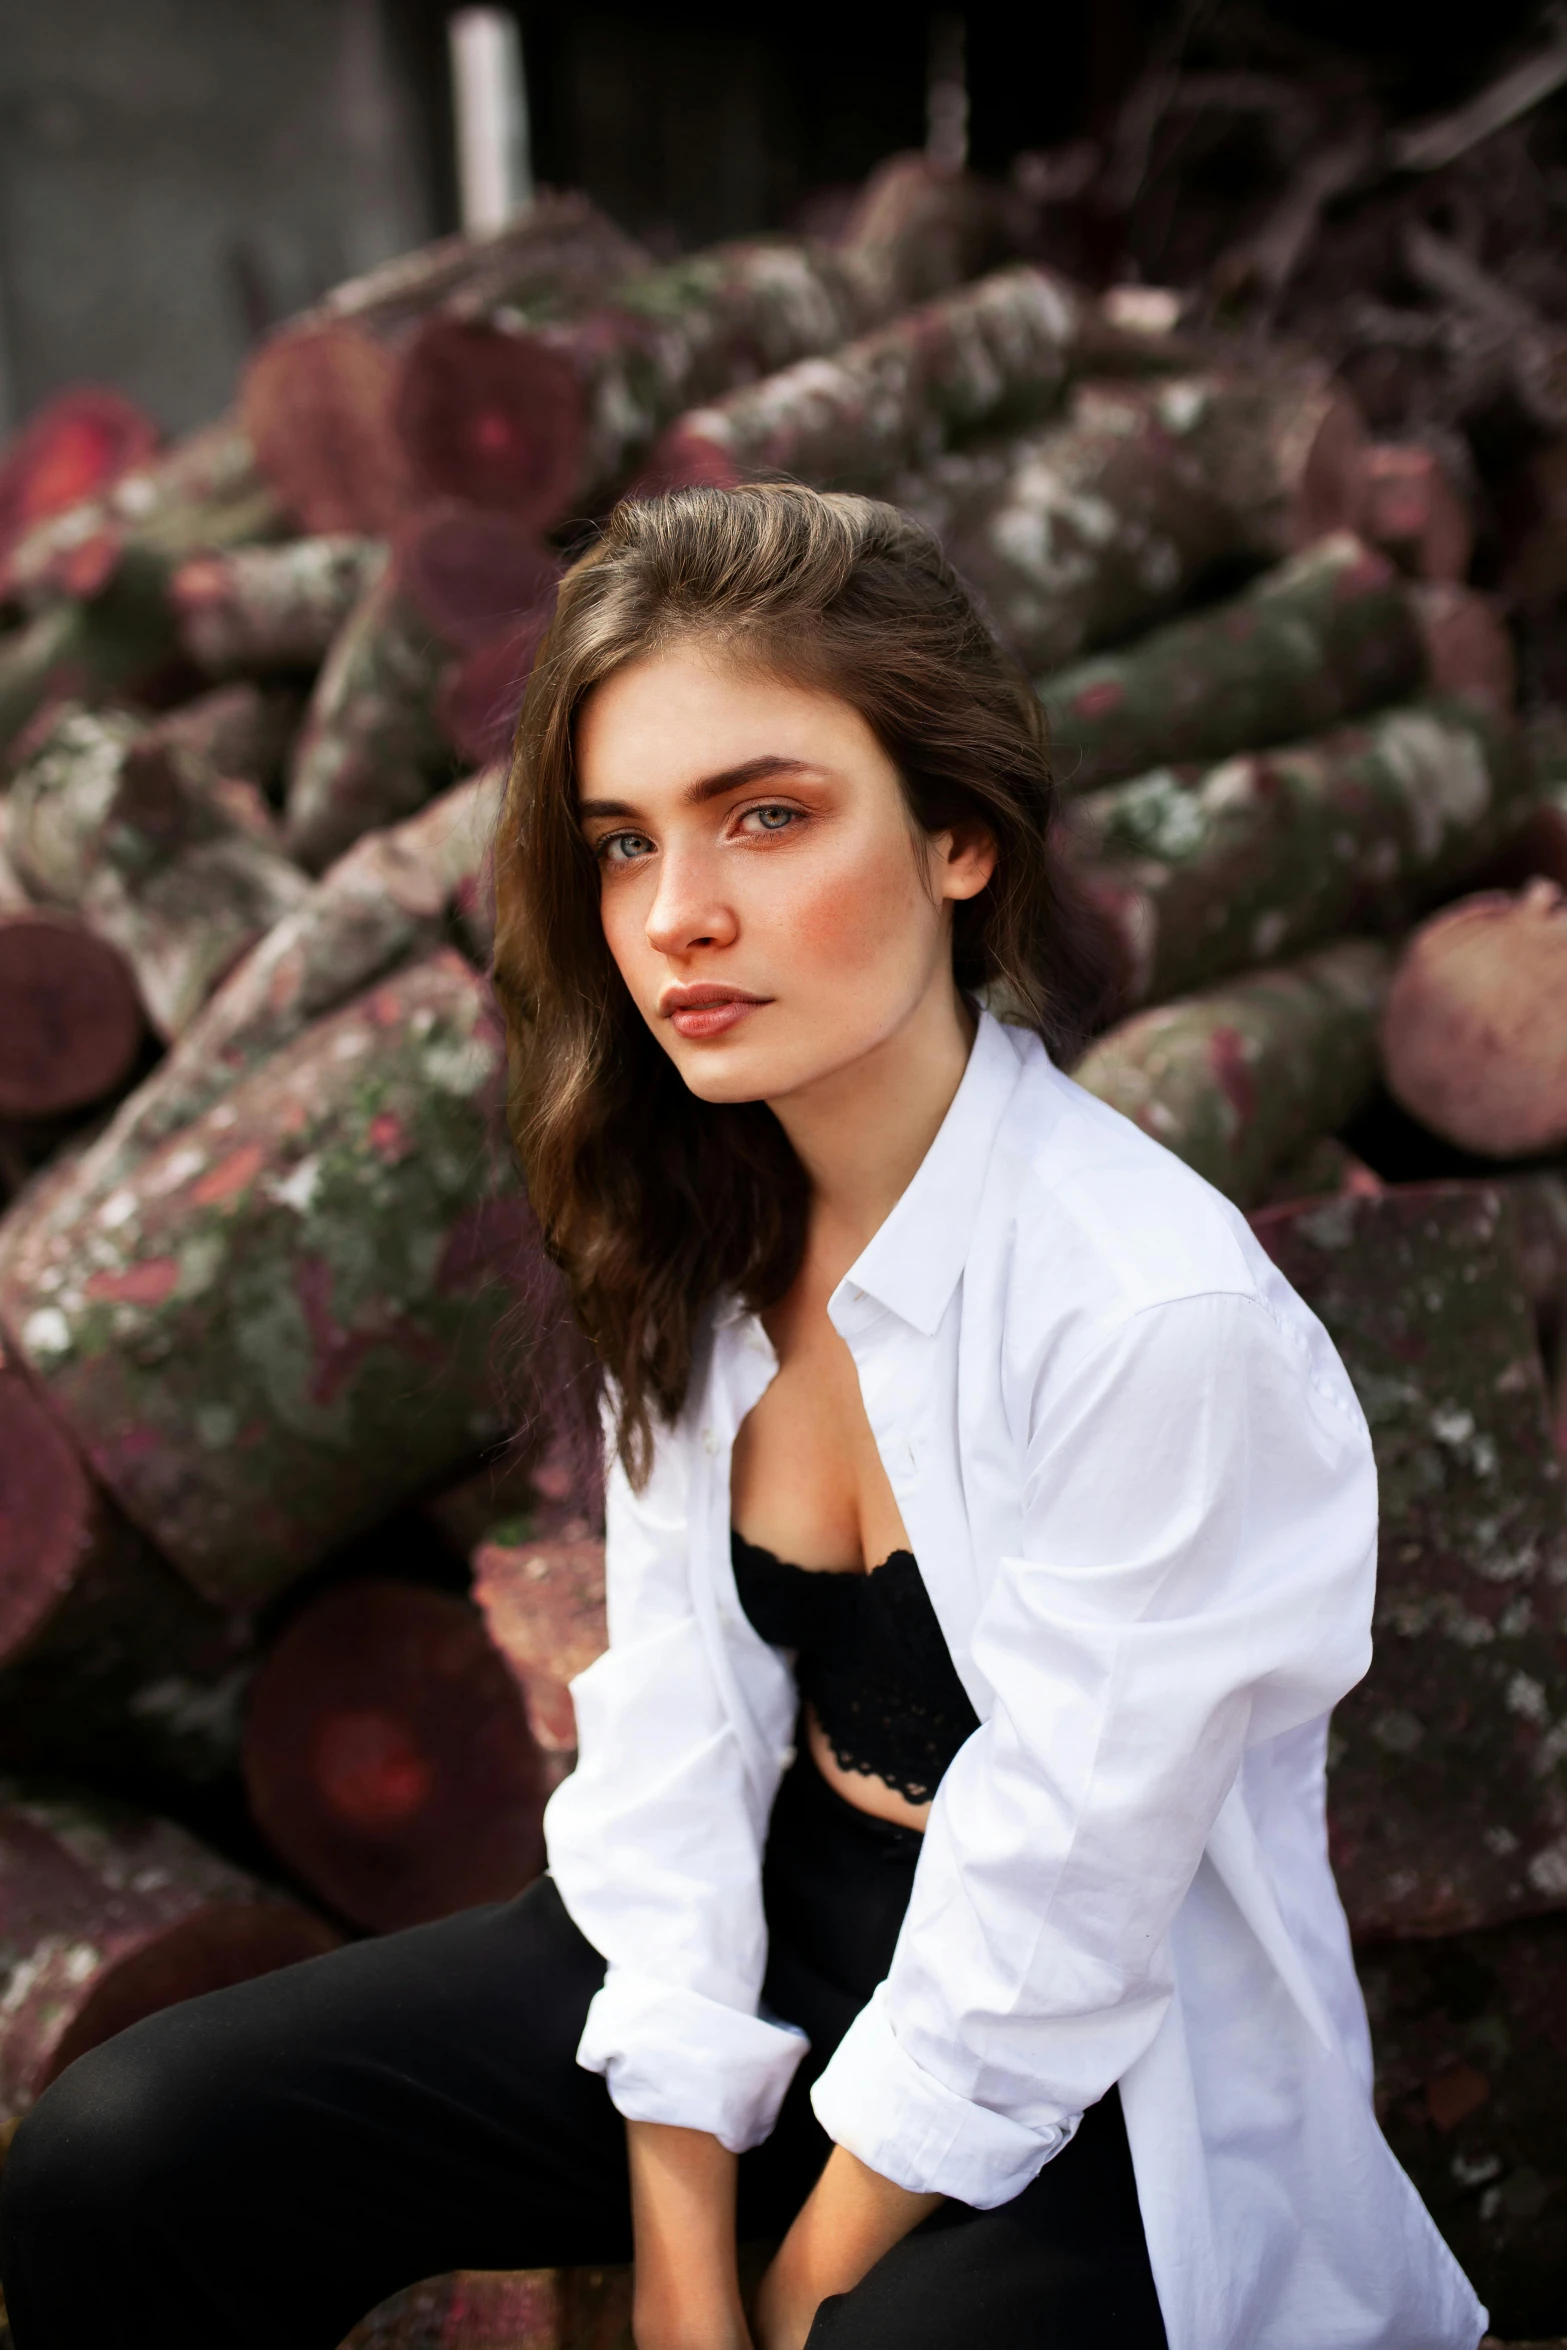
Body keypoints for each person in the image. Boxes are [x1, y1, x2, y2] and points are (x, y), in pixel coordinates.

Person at [0, 485, 1484, 2350]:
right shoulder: (699, 1226)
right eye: (622, 844)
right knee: (125, 2156)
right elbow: (687, 1741)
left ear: (957, 835)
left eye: (765, 816)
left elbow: (1058, 1903)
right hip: (768, 1934)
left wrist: (796, 2280)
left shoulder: (1149, 1311)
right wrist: (683, 2237)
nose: (679, 915)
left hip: (1094, 2049)